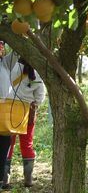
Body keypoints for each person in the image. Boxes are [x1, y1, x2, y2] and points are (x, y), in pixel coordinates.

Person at [2, 58, 45, 189]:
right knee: (27, 144)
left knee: (8, 145)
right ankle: (28, 179)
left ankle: (5, 179)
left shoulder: (10, 68)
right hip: (27, 114)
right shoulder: (37, 74)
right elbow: (40, 98)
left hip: (9, 112)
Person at [0, 41, 19, 190]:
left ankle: (1, 178)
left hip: (3, 110)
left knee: (4, 145)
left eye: (1, 44)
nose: (0, 47)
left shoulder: (5, 63)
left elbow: (17, 51)